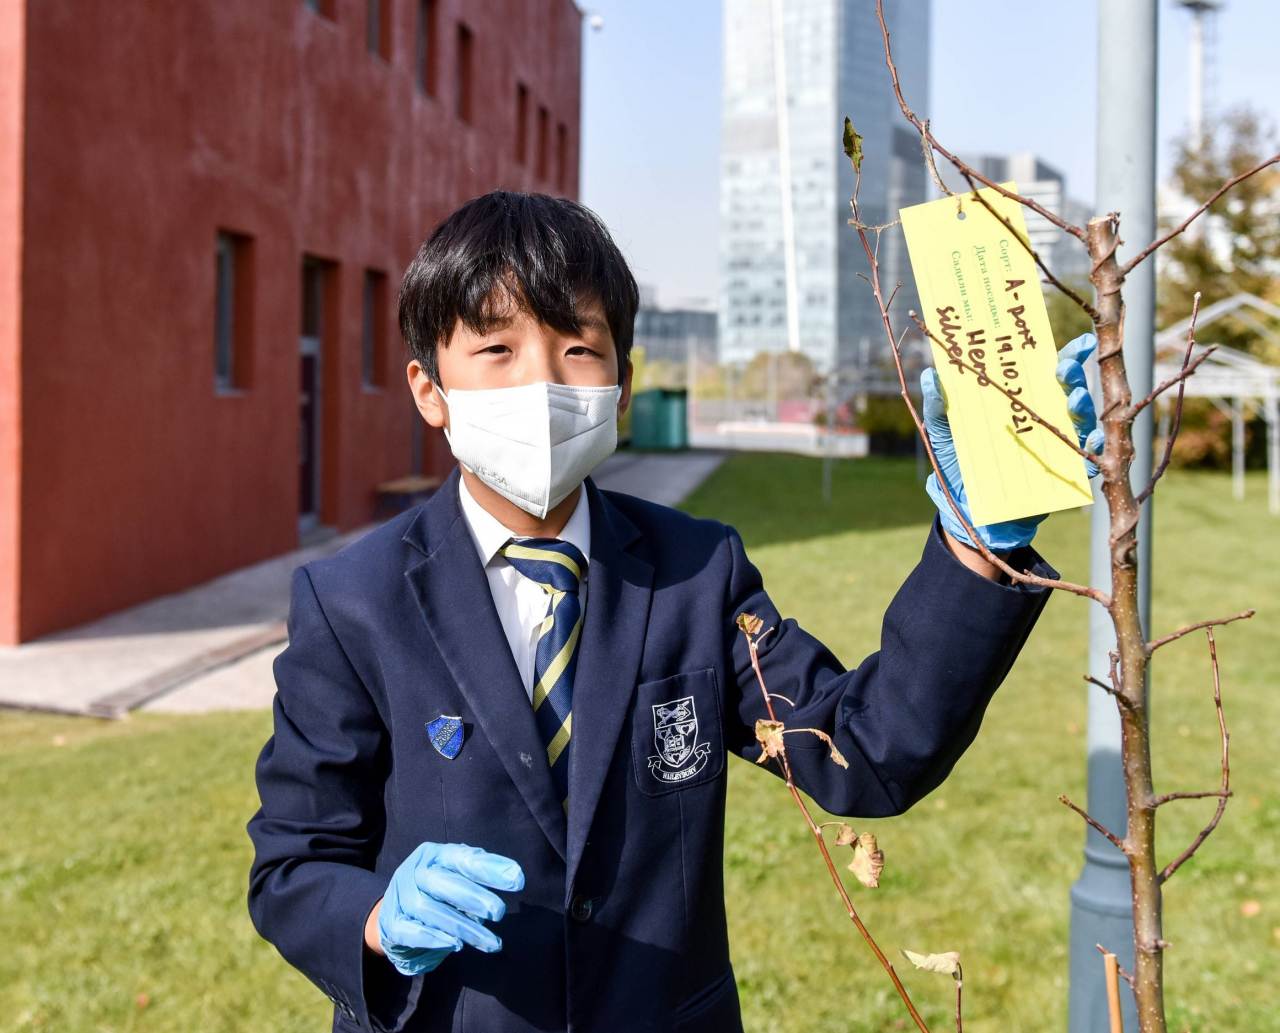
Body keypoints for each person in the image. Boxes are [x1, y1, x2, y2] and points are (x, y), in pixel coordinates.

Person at [248, 191, 1102, 1033]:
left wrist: (975, 545)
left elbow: (867, 748)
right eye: (497, 349)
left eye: (579, 348)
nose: (541, 383)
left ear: (623, 386)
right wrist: (375, 917)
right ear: (429, 388)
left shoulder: (698, 573)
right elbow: (293, 863)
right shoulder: (354, 601)